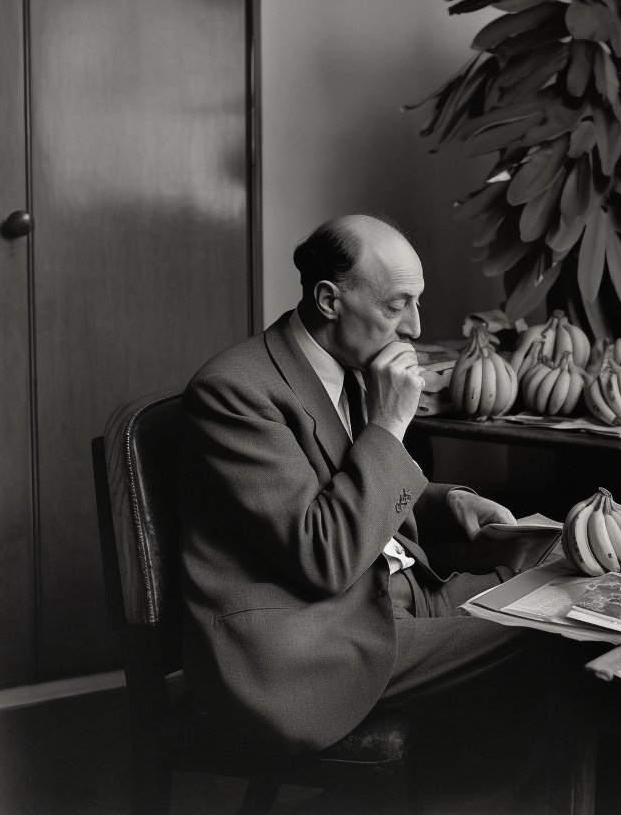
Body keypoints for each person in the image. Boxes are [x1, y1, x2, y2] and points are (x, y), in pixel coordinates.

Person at [178, 213, 554, 759]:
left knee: (563, 595)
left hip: (395, 600)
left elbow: (339, 484)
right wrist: (390, 425)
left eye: (416, 302)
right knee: (555, 643)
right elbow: (322, 553)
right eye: (395, 306)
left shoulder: (350, 365)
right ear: (330, 301)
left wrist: (447, 503)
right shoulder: (234, 392)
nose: (416, 329)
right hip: (310, 646)